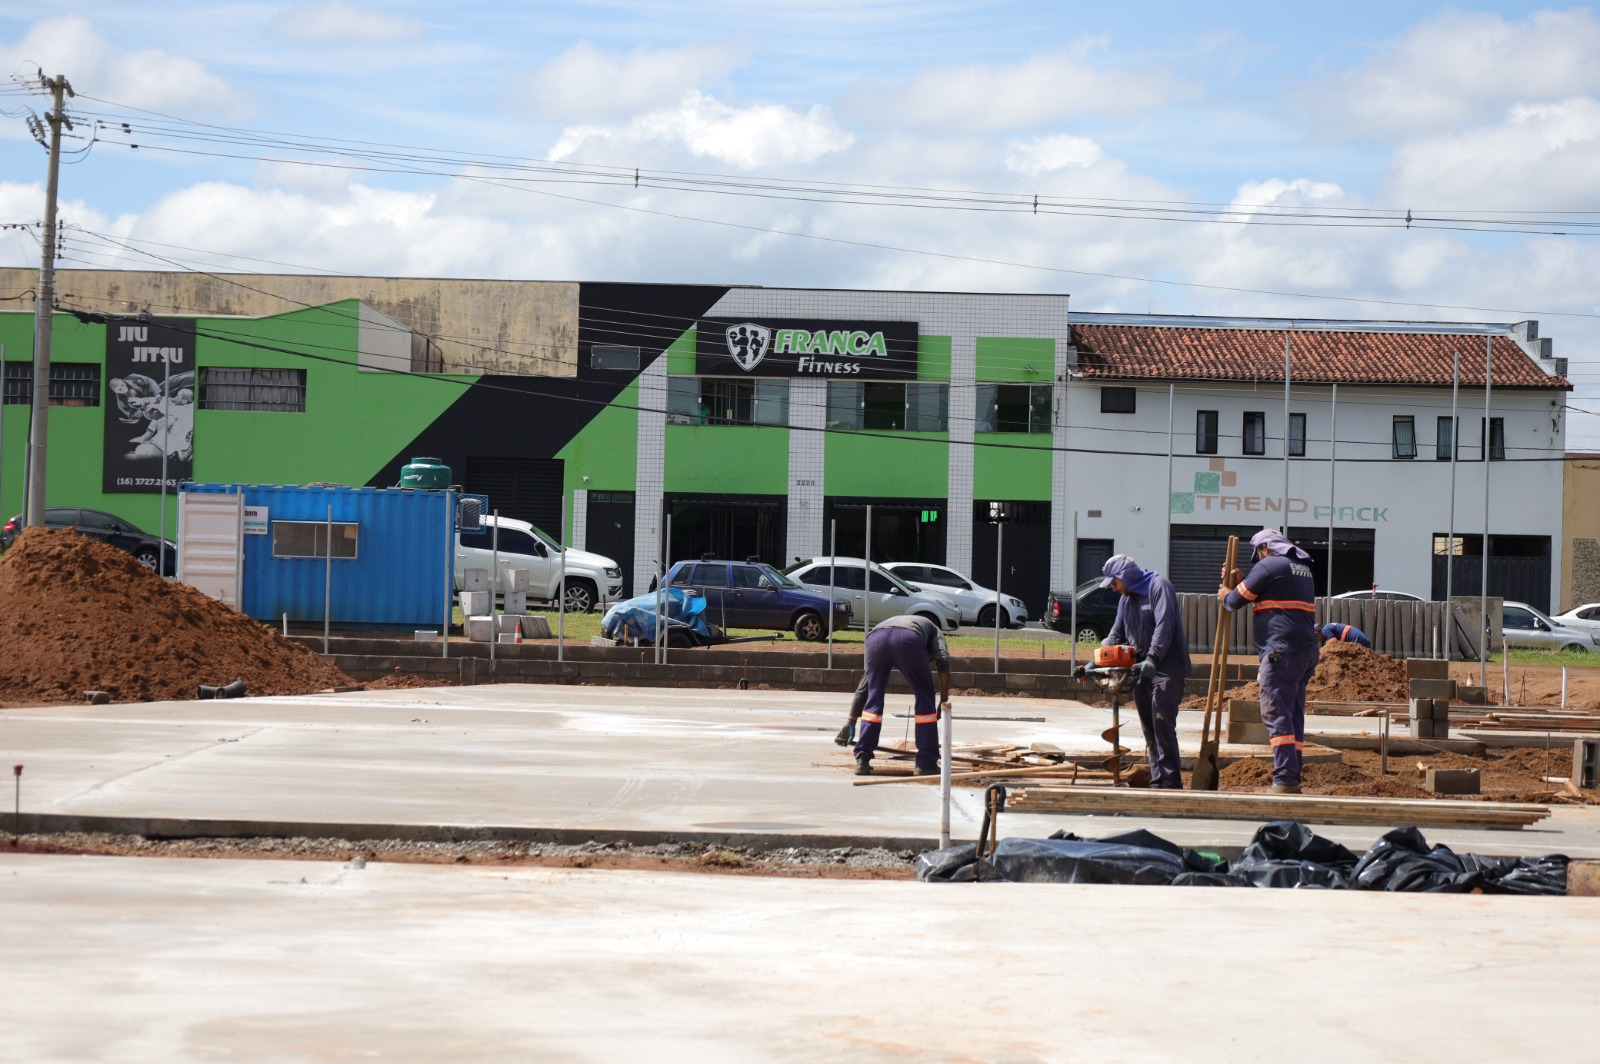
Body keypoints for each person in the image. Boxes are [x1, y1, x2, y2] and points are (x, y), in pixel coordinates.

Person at [1219, 529, 1320, 794]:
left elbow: (1233, 601)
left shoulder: (1269, 565)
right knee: (1293, 715)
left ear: (1265, 547)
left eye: (1258, 553)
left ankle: (1284, 780)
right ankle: (1292, 776)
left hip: (1280, 652)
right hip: (1305, 651)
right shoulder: (1301, 568)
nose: (1258, 558)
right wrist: (1245, 581)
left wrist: (1226, 593)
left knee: (1276, 714)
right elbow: (1269, 593)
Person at [1099, 554, 1191, 789]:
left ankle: (1172, 781)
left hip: (1167, 668)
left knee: (1162, 723)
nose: (1113, 588)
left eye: (1114, 582)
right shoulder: (1125, 600)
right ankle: (1157, 780)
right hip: (1141, 670)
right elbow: (1115, 634)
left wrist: (1153, 657)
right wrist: (1095, 660)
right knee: (1149, 727)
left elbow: (1165, 626)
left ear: (1124, 577)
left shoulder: (1158, 586)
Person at [842, 614, 951, 776]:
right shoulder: (935, 631)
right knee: (925, 697)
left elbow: (865, 686)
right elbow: (943, 659)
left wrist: (850, 721)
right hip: (909, 639)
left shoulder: (902, 623)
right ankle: (926, 764)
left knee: (874, 693)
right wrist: (943, 698)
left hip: (875, 637)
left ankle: (862, 758)